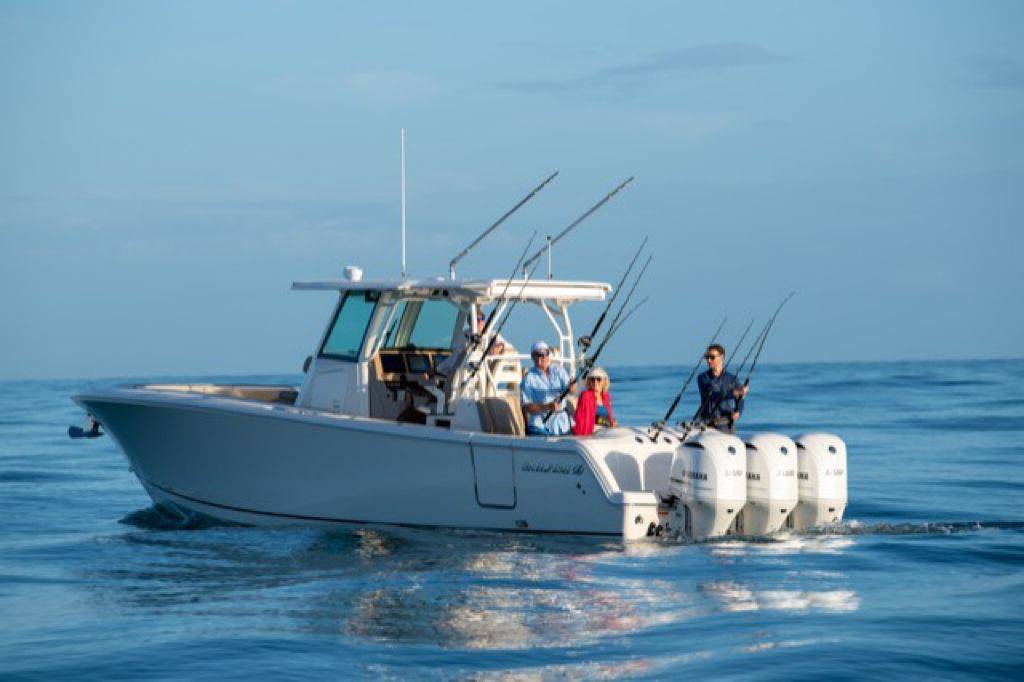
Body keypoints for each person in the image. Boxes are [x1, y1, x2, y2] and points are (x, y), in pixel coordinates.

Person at [521, 341, 576, 436]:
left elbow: (573, 390)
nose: (540, 358)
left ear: (548, 355)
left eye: (543, 354)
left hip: (563, 424)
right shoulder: (528, 378)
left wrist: (572, 388)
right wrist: (547, 406)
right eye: (536, 354)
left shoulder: (559, 371)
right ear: (532, 356)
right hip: (539, 426)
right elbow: (526, 407)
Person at [434, 308, 506, 380]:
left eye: (482, 318)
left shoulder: (490, 333)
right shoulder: (464, 335)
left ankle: (438, 370)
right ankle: (438, 370)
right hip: (465, 369)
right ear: (470, 322)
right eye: (477, 319)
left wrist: (497, 348)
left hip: (482, 370)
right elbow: (456, 355)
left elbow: (501, 344)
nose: (481, 321)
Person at [696, 344, 749, 433]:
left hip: (726, 425)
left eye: (712, 357)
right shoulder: (703, 378)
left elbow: (740, 399)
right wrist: (734, 393)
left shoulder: (732, 378)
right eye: (707, 357)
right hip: (707, 424)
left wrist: (738, 411)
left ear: (721, 357)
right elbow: (713, 394)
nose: (708, 360)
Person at [572, 367, 617, 436]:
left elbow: (608, 416)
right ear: (589, 381)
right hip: (592, 430)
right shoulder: (585, 395)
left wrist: (612, 422)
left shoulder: (606, 396)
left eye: (598, 379)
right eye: (592, 379)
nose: (595, 382)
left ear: (604, 381)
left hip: (606, 429)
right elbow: (580, 418)